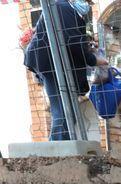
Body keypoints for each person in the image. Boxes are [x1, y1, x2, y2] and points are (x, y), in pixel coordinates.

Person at [23, 0, 106, 141]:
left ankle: (62, 151)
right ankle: (57, 155)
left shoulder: (65, 8)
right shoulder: (63, 7)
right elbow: (73, 42)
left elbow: (69, 39)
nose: (87, 3)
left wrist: (88, 48)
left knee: (67, 113)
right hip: (52, 64)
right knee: (62, 113)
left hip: (55, 64)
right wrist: (94, 60)